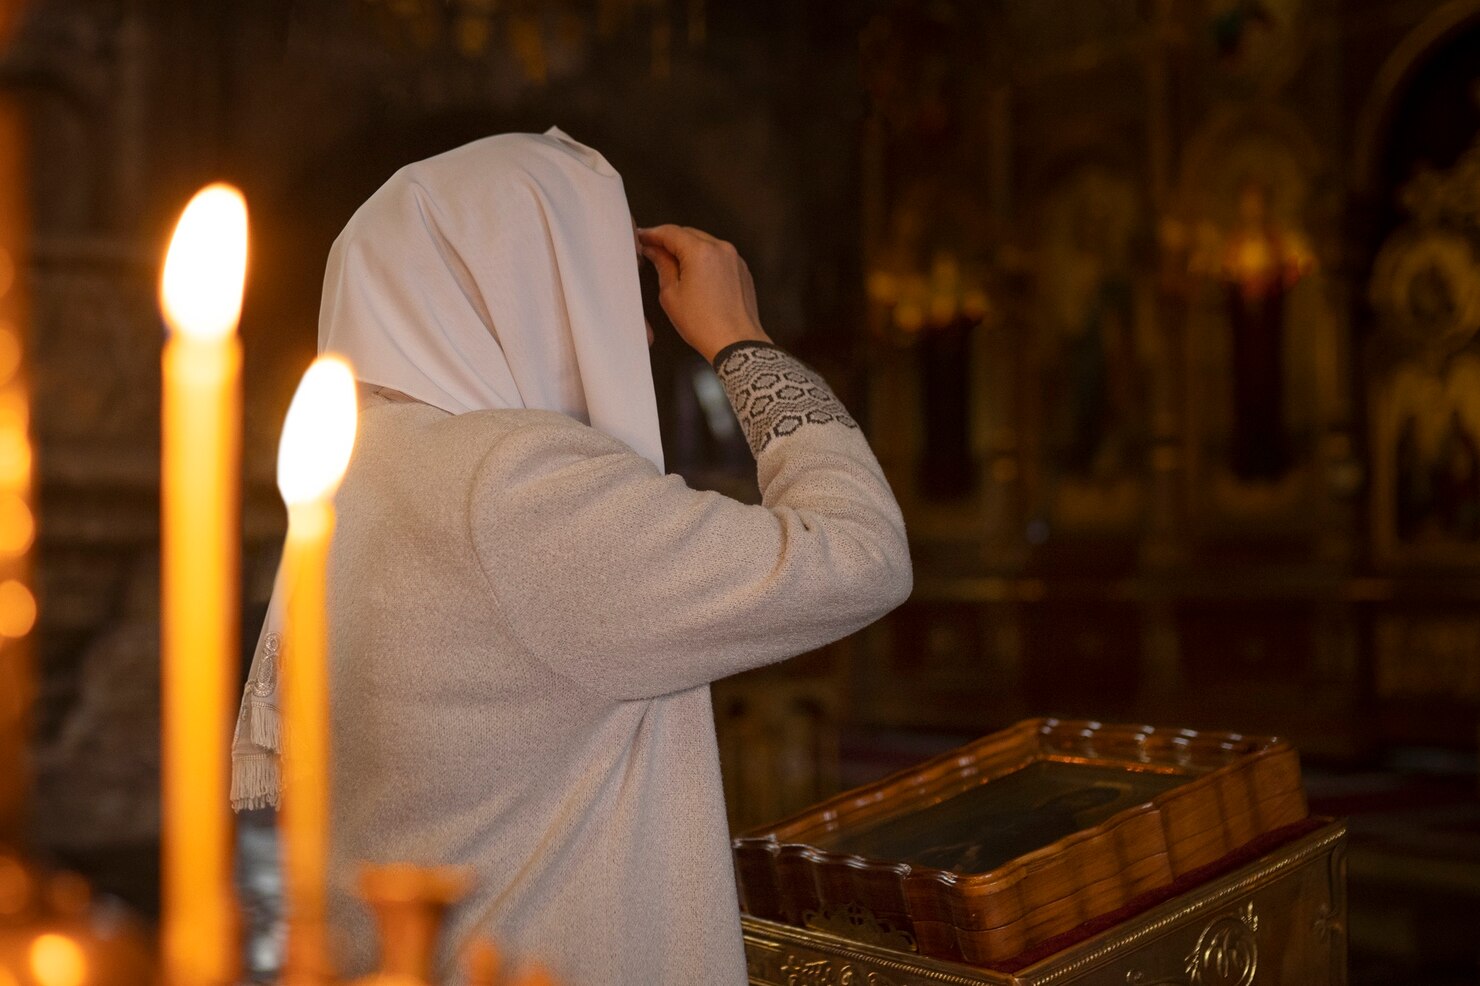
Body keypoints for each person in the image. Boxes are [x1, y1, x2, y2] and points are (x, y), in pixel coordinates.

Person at [231, 128, 912, 985]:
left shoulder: (352, 476)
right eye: (601, 289)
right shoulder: (510, 483)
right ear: (530, 292)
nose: (643, 332)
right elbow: (860, 555)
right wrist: (743, 341)